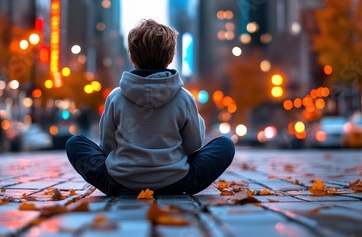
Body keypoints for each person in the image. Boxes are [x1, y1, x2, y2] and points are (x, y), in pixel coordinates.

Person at [66, 19, 235, 196]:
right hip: (176, 182)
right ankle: (172, 182)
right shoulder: (184, 98)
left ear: (132, 57)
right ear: (170, 58)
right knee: (225, 145)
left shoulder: (115, 97)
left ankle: (126, 185)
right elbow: (194, 145)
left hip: (120, 182)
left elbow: (107, 146)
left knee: (74, 143)